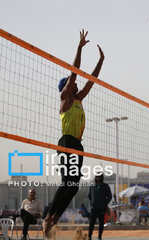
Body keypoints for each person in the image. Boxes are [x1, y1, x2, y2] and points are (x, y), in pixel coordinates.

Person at [43, 29, 105, 237]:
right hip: (67, 141)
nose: (77, 85)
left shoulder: (78, 100)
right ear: (66, 88)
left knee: (74, 185)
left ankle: (55, 218)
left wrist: (101, 61)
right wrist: (79, 48)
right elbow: (75, 71)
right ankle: (48, 217)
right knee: (66, 181)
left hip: (78, 144)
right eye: (73, 84)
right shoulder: (66, 99)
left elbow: (91, 81)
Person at [88, 174, 112, 240]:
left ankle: (99, 237)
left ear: (102, 178)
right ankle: (89, 236)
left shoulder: (106, 186)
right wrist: (91, 202)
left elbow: (109, 196)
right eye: (97, 177)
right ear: (95, 177)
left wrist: (105, 203)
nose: (98, 178)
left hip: (102, 209)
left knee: (101, 224)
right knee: (91, 223)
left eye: (99, 177)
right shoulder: (92, 186)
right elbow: (89, 195)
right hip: (94, 208)